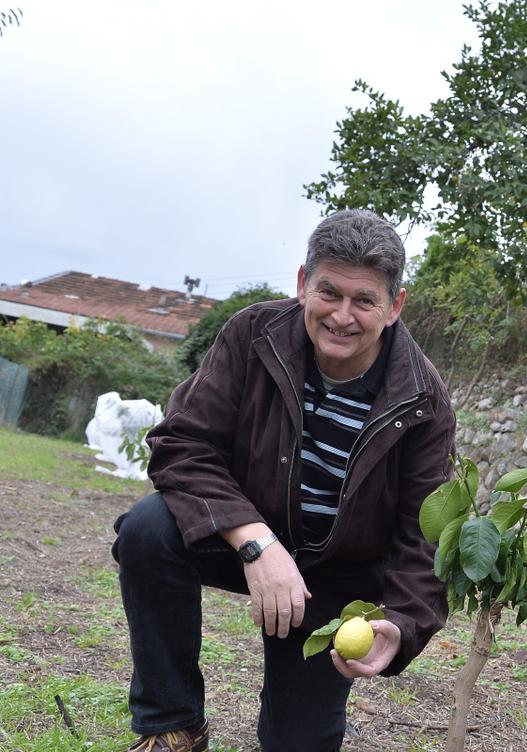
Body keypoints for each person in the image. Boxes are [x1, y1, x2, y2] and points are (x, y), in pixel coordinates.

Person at [112, 209, 456, 752]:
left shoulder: (422, 399)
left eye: (364, 300)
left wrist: (403, 624)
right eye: (329, 292)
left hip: (335, 582)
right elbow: (182, 443)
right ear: (302, 284)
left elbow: (426, 532)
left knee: (298, 743)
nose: (342, 316)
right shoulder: (254, 335)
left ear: (394, 307)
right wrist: (255, 541)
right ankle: (173, 725)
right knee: (149, 529)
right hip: (245, 541)